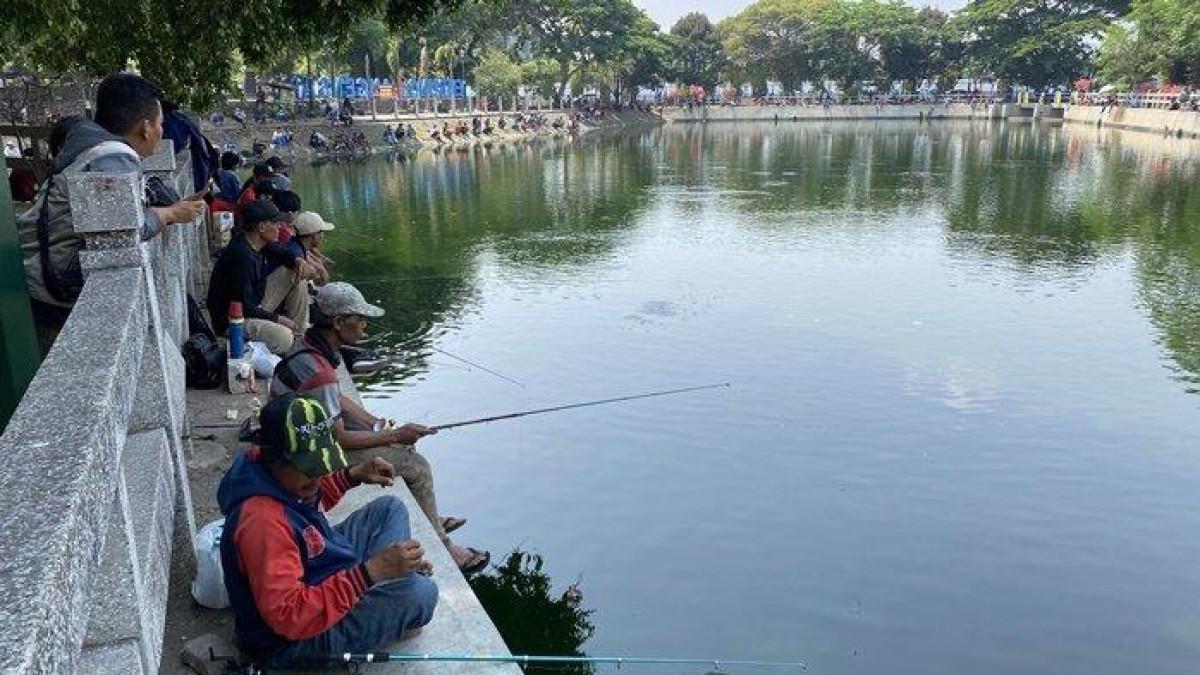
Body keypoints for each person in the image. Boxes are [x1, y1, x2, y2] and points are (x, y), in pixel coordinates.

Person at [271, 282, 490, 575]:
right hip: (304, 456)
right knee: (417, 465)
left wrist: (375, 423)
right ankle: (445, 546)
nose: (365, 326)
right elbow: (340, 439)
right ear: (338, 322)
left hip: (292, 436)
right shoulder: (321, 372)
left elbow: (337, 399)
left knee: (401, 446)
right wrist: (395, 435)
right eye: (359, 319)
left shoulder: (307, 347)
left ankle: (432, 517)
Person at [219, 393, 437, 667]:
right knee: (420, 594)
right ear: (277, 459)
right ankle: (385, 586)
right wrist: (371, 572)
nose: (319, 477)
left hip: (316, 572)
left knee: (389, 508)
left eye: (323, 467)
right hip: (291, 641)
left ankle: (386, 582)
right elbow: (289, 616)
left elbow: (310, 503)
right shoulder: (262, 521)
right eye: (310, 470)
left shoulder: (268, 473)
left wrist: (351, 475)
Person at [17, 72, 205, 353]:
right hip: (53, 293)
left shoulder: (92, 144)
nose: (162, 132)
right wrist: (171, 215)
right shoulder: (113, 158)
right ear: (144, 128)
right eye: (160, 124)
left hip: (37, 279)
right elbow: (123, 232)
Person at [207, 201, 311, 354]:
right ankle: (291, 341)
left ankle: (300, 335)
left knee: (294, 272)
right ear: (261, 227)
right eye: (275, 224)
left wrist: (298, 260)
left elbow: (281, 252)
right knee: (283, 337)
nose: (279, 228)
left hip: (253, 304)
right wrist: (277, 318)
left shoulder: (255, 242)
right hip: (234, 321)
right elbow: (245, 307)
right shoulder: (242, 257)